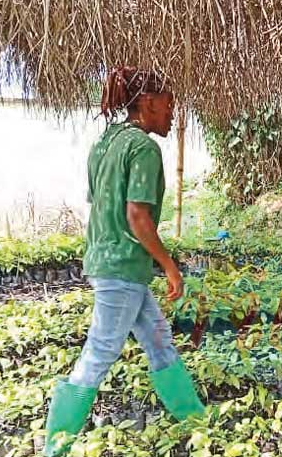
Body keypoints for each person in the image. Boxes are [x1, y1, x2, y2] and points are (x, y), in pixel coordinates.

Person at [43, 68, 204, 456]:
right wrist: (169, 266)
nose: (172, 113)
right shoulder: (143, 148)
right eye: (168, 104)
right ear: (147, 103)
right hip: (123, 267)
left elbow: (100, 202)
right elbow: (137, 215)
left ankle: (198, 423)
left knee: (159, 339)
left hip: (106, 260)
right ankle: (55, 447)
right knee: (99, 352)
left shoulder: (105, 143)